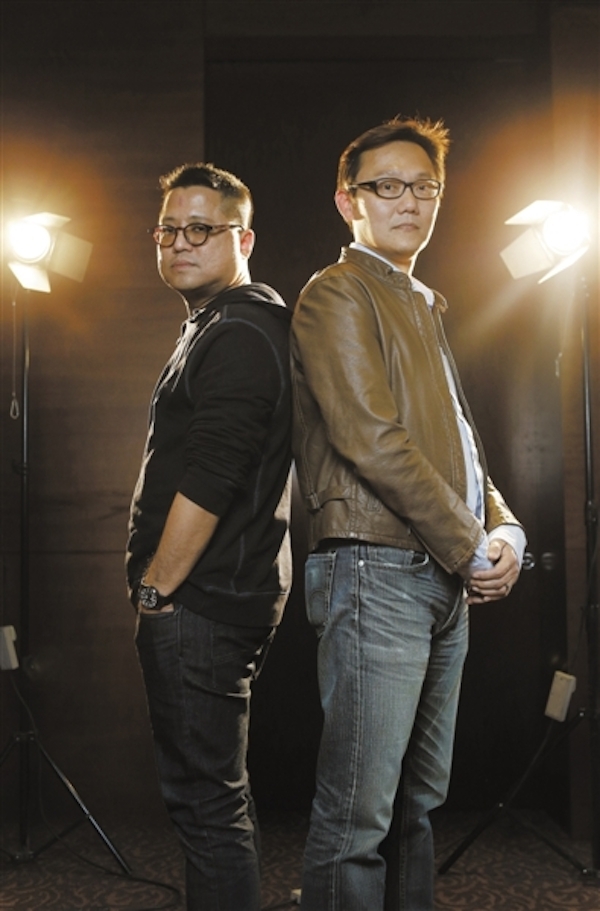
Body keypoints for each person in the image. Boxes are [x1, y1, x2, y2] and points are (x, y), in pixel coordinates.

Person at [291, 117, 526, 911]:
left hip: (434, 572)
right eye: (386, 186)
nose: (409, 201)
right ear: (347, 200)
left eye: (424, 186)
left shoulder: (421, 303)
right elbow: (370, 437)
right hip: (375, 567)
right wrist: (471, 546)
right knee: (359, 813)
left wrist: (504, 528)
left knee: (414, 806)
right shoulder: (338, 292)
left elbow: (458, 446)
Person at [126, 162, 292, 911]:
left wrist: (157, 590)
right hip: (211, 599)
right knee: (214, 798)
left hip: (203, 602)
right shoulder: (217, 325)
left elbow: (213, 478)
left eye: (201, 229)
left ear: (243, 239)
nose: (180, 243)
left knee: (206, 805)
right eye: (168, 230)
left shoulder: (241, 331)